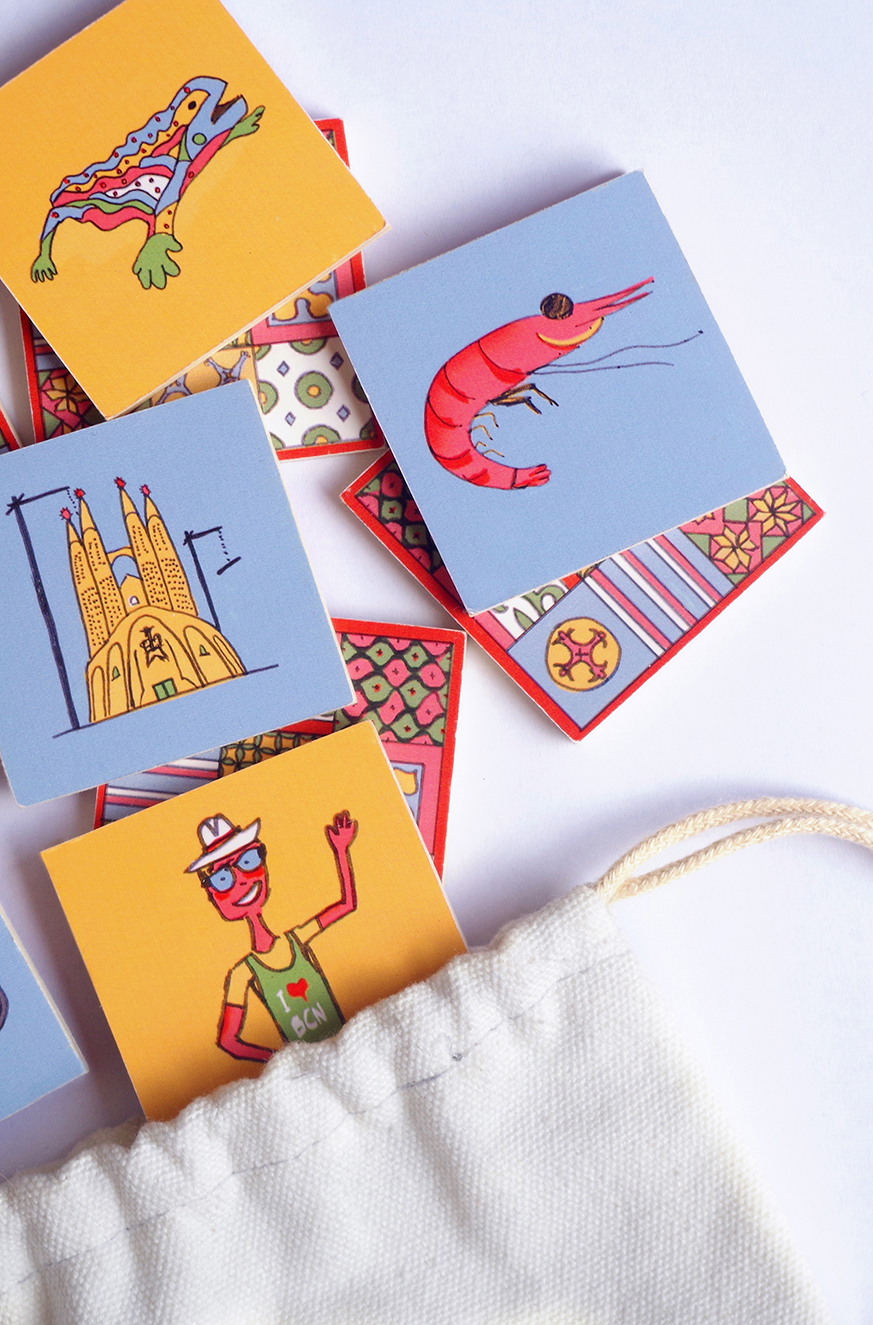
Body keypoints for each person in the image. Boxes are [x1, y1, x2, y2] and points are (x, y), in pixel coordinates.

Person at [185, 810, 358, 1062]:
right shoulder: (243, 973)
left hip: (349, 1046)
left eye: (248, 861)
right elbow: (227, 1041)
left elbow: (347, 904)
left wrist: (341, 850)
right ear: (213, 894)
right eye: (222, 879)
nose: (241, 881)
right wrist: (281, 1060)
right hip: (310, 1066)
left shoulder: (297, 939)